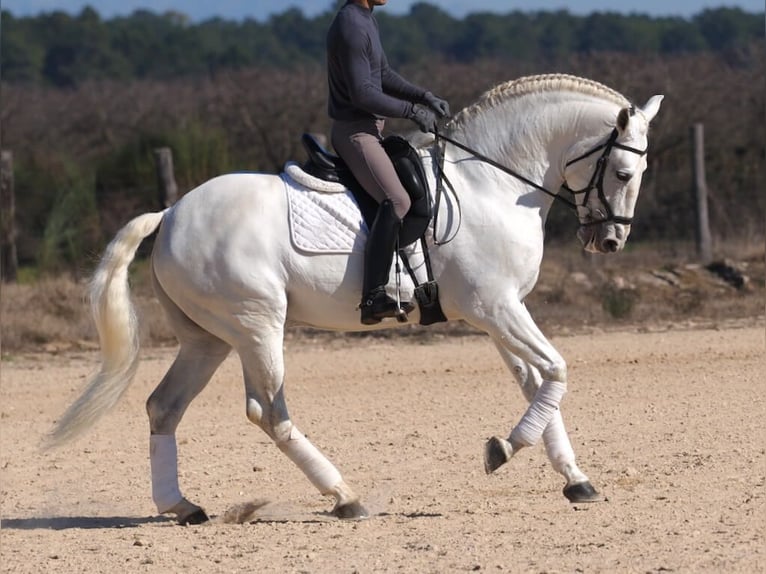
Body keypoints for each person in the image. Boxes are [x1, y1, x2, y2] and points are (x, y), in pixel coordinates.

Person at [326, 0, 450, 325]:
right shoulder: (351, 25)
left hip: (371, 130)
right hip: (356, 133)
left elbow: (381, 74)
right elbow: (363, 93)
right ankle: (372, 295)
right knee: (396, 200)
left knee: (416, 193)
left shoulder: (366, 18)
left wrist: (423, 96)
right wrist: (411, 112)